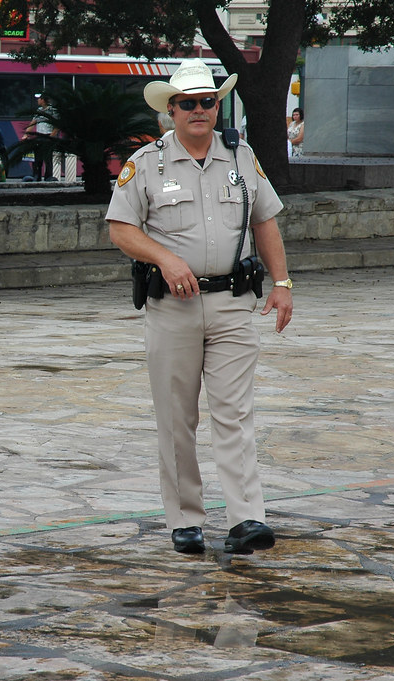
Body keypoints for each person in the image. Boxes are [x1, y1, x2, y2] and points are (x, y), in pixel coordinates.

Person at [106, 58, 294, 557]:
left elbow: (266, 221)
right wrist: (165, 258)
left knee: (235, 414)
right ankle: (186, 518)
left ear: (217, 105)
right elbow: (121, 228)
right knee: (177, 419)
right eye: (187, 103)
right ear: (171, 109)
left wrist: (282, 282)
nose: (198, 110)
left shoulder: (241, 157)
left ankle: (247, 518)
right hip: (174, 309)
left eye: (207, 101)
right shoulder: (146, 163)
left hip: (234, 303)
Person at [21, 93, 53, 181]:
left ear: (43, 100)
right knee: (37, 158)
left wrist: (51, 137)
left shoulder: (52, 110)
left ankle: (48, 176)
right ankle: (36, 175)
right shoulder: (39, 110)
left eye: (39, 99)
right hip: (39, 135)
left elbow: (56, 126)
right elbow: (33, 123)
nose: (37, 100)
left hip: (48, 136)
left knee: (48, 158)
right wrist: (26, 134)